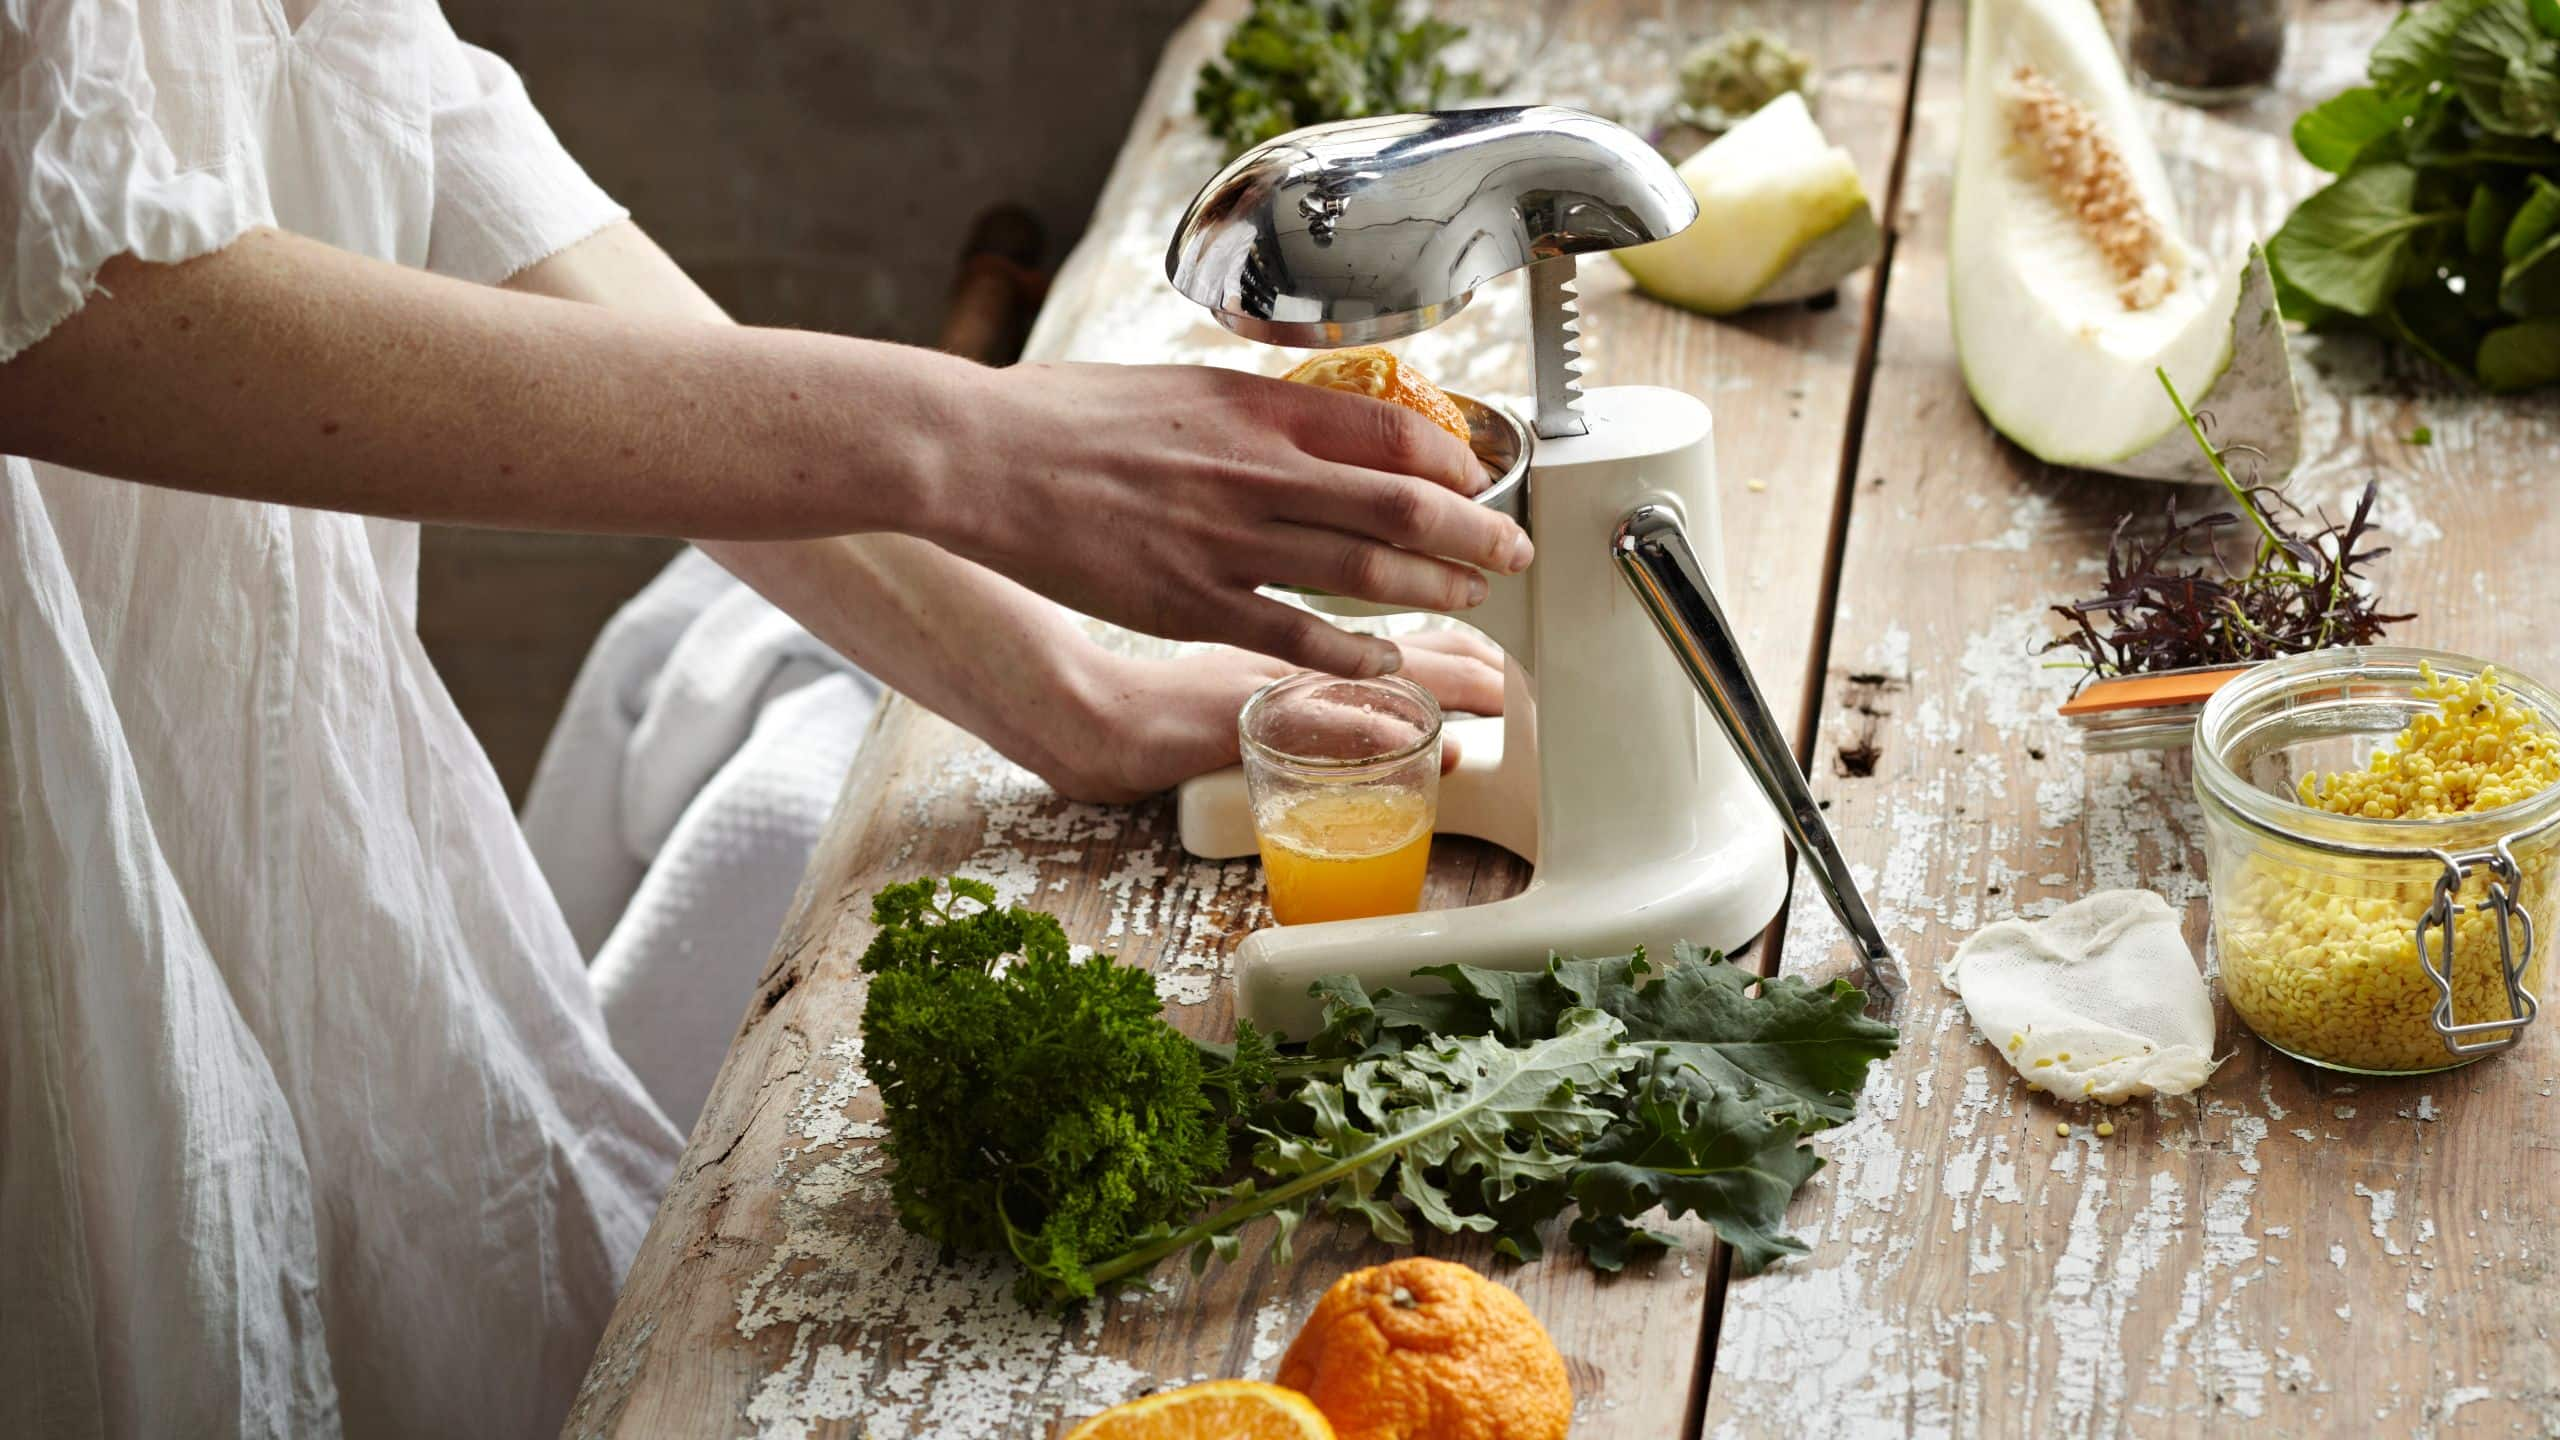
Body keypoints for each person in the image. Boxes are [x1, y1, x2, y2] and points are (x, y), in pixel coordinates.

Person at [0, 4, 1525, 1437]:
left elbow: (374, 64)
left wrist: (1059, 684)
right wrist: (968, 438)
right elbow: (52, 300)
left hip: (231, 715)